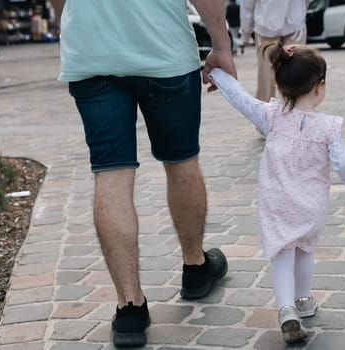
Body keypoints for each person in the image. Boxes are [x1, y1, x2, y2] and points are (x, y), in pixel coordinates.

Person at [49, 0, 236, 347]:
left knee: (110, 173)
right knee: (181, 161)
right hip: (162, 49)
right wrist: (221, 46)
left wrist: (75, 24)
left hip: (91, 54)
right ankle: (195, 268)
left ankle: (130, 307)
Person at [209, 43, 345, 343]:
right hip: (311, 207)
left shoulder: (271, 116)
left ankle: (286, 308)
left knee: (282, 252)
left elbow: (241, 100)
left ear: (280, 84)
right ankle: (303, 299)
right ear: (319, 87)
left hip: (277, 204)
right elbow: (344, 164)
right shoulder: (328, 128)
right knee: (305, 250)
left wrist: (216, 73)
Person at [240, 0, 309, 102]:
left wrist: (246, 32)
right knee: (294, 72)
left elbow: (247, 5)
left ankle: (265, 113)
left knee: (266, 77)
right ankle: (295, 111)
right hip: (295, 22)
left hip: (266, 23)